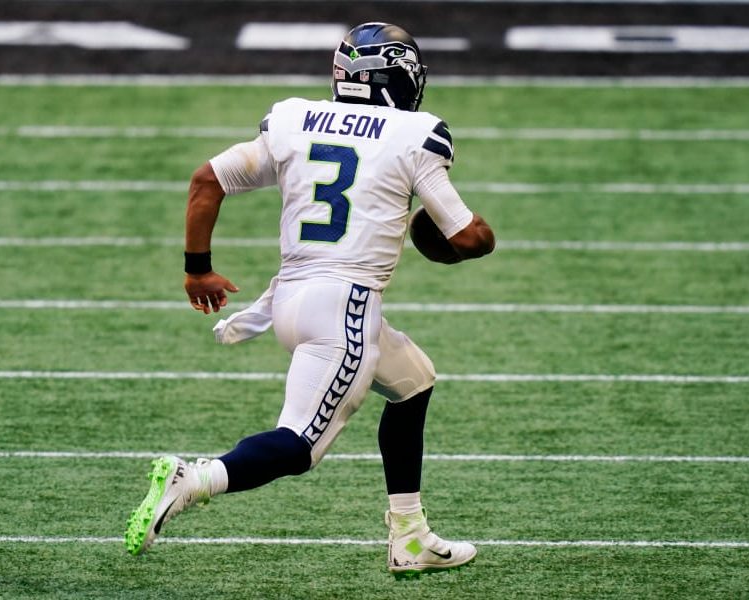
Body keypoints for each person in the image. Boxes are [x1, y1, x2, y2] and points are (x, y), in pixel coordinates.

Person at [124, 22, 495, 578]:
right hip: (344, 309)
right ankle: (194, 479)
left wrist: (197, 270)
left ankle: (410, 536)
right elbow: (467, 238)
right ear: (397, 77)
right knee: (299, 447)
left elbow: (206, 181)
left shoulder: (295, 120)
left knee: (414, 381)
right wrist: (479, 235)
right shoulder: (414, 134)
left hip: (291, 299)